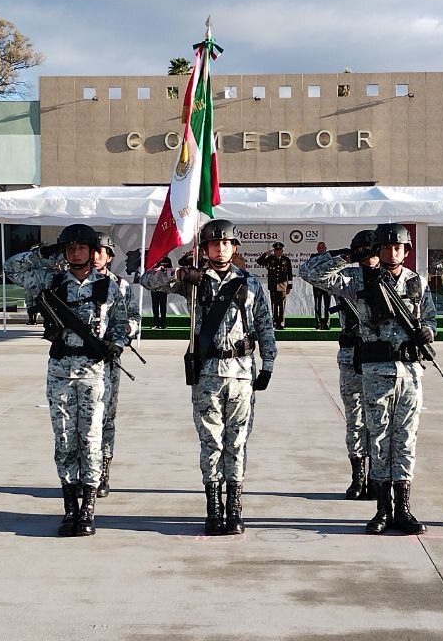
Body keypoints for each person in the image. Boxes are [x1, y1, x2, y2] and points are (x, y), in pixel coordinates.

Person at [142, 219, 277, 536]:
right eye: (214, 244)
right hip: (207, 375)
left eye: (226, 243)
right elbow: (147, 280)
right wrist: (179, 274)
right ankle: (214, 509)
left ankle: (235, 509)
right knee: (211, 443)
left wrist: (268, 362)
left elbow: (264, 326)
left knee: (238, 442)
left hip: (242, 374)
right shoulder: (194, 281)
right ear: (204, 249)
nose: (220, 248)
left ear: (234, 247)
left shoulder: (250, 284)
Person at [301, 223, 436, 535]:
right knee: (377, 440)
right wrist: (348, 255)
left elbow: (429, 315)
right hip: (375, 372)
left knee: (405, 440)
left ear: (406, 250)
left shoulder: (416, 283)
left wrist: (429, 330)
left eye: (398, 247)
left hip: (410, 373)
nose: (392, 252)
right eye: (385, 247)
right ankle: (382, 509)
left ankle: (402, 508)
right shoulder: (356, 278)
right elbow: (310, 273)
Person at [4, 224, 130, 537]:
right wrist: (46, 252)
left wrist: (116, 342)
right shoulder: (51, 280)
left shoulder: (108, 286)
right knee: (64, 438)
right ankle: (69, 508)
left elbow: (121, 324)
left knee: (90, 437)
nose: (75, 253)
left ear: (92, 251)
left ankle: (87, 507)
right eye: (69, 248)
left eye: (81, 247)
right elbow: (12, 268)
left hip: (93, 371)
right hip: (60, 369)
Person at [328, 230, 379, 500]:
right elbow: (309, 272)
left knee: (379, 421)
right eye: (365, 251)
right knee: (356, 420)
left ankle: (376, 476)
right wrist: (345, 258)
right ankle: (358, 475)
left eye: (374, 250)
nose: (370, 257)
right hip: (351, 356)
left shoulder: (389, 278)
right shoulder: (346, 278)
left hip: (380, 357)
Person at [90, 231, 141, 497]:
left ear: (109, 256)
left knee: (106, 418)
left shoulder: (120, 286)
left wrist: (119, 338)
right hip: (79, 362)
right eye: (92, 250)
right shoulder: (75, 282)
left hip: (109, 361)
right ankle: (84, 472)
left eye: (100, 251)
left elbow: (134, 318)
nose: (95, 255)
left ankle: (103, 471)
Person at [255, 242, 293, 330]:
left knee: (282, 305)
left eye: (279, 250)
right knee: (274, 305)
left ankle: (282, 323)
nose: (278, 252)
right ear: (274, 251)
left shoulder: (286, 260)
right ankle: (275, 322)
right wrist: (265, 254)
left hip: (283, 286)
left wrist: (289, 286)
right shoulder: (270, 259)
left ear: (282, 251)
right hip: (273, 286)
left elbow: (289, 274)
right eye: (276, 250)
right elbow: (259, 261)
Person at [312, 241, 333, 329]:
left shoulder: (329, 257)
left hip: (327, 284)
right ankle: (318, 323)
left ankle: (326, 323)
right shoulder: (313, 257)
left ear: (325, 248)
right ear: (317, 249)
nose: (321, 249)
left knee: (327, 304)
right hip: (317, 285)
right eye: (319, 248)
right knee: (317, 304)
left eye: (322, 248)